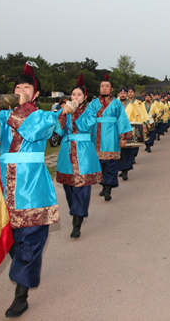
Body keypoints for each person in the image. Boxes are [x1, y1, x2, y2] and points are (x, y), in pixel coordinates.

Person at [0, 61, 60, 317]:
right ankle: (24, 273)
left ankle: (21, 295)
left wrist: (13, 111)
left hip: (32, 188)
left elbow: (31, 130)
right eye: (16, 85)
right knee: (9, 241)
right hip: (4, 186)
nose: (20, 89)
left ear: (36, 94)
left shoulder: (45, 116)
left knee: (30, 241)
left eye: (26, 86)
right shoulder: (3, 114)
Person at [55, 74, 102, 239]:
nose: (75, 97)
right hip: (66, 150)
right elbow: (58, 131)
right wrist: (63, 114)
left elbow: (85, 126)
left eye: (79, 95)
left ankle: (77, 222)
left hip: (83, 151)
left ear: (84, 97)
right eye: (73, 95)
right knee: (69, 187)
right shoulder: (64, 111)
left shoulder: (89, 111)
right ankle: (76, 210)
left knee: (81, 187)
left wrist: (74, 114)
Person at [87, 74, 133, 201]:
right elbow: (87, 120)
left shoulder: (117, 104)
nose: (104, 88)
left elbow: (122, 120)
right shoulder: (93, 104)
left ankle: (108, 189)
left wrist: (123, 137)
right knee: (99, 165)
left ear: (111, 89)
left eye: (107, 86)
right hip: (96, 137)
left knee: (112, 164)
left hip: (112, 138)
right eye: (102, 86)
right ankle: (103, 185)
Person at [118, 85, 149, 181]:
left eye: (125, 93)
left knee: (127, 150)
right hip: (116, 129)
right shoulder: (115, 104)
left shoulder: (133, 105)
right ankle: (121, 168)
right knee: (118, 150)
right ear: (119, 94)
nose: (123, 95)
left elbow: (139, 115)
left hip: (129, 128)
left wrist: (143, 123)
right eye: (121, 93)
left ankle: (125, 171)